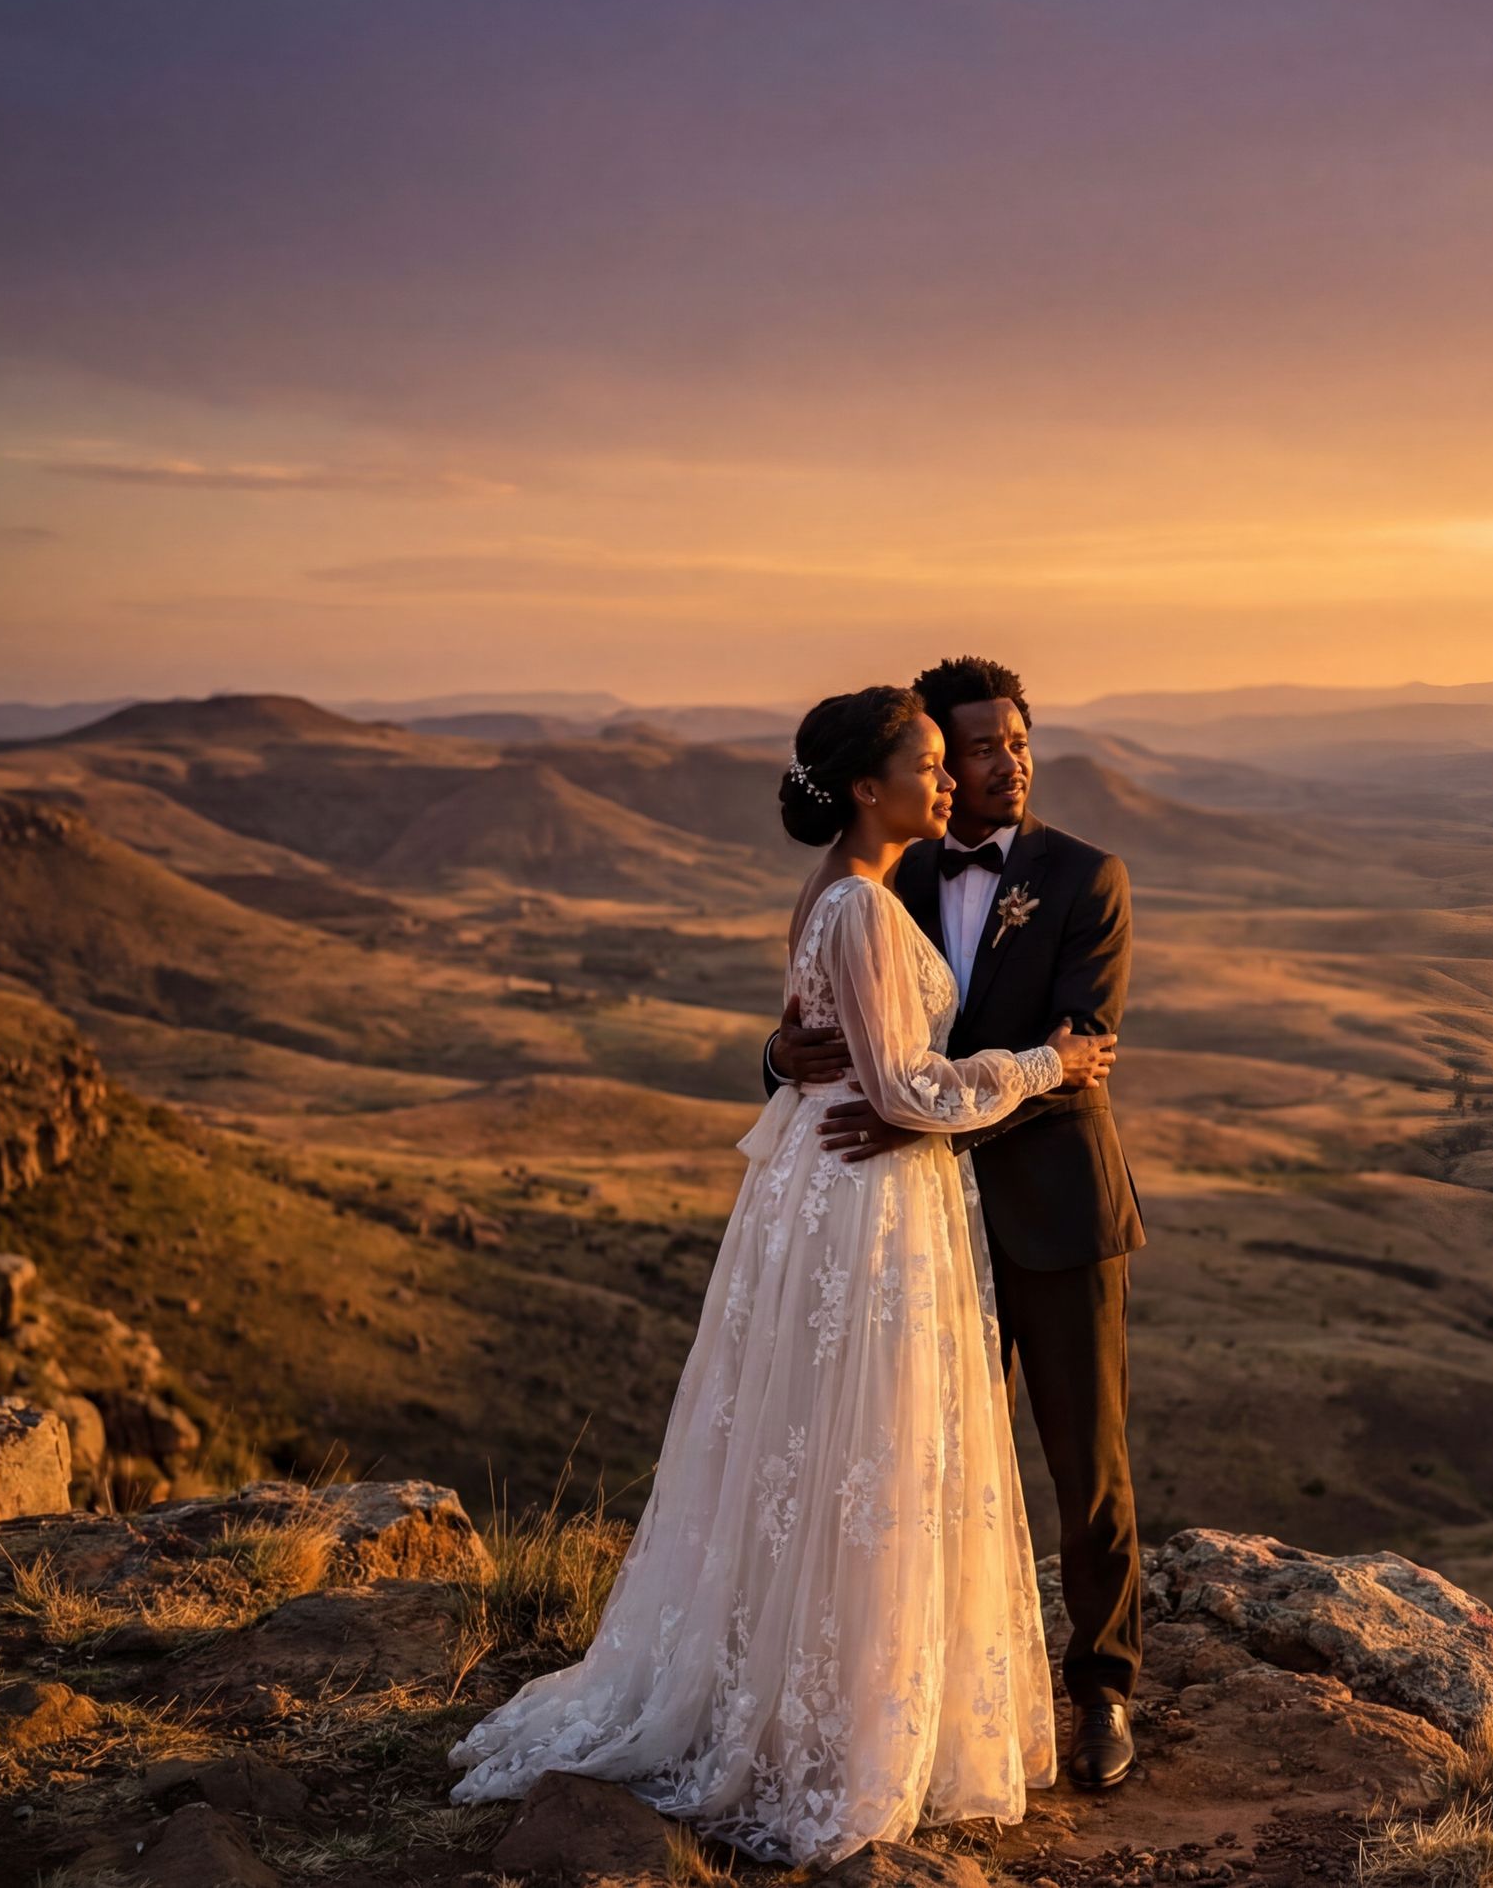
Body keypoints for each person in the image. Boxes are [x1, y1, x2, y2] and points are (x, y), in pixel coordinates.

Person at [449, 685, 1116, 1865]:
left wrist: (891, 1074)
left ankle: (1055, 1687)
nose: (965, 776)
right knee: (866, 1445)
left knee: (919, 1451)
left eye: (995, 752)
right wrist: (1040, 1065)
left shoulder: (981, 880)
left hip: (950, 1194)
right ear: (871, 784)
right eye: (943, 759)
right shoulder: (871, 894)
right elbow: (891, 1076)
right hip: (867, 1192)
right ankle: (844, 1713)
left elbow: (866, 1039)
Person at [767, 655, 1147, 1789]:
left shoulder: (1088, 876)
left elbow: (1079, 1054)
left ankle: (1105, 1689)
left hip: (1055, 1210)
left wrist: (913, 1123)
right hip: (910, 1227)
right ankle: (927, 1689)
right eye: (980, 748)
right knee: (920, 1461)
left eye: (1018, 743)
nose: (1007, 764)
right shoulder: (891, 870)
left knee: (1088, 1466)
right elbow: (842, 1028)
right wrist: (780, 1056)